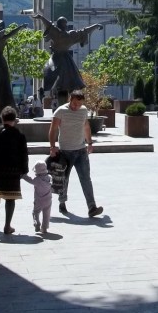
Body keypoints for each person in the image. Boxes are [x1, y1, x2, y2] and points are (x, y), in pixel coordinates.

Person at [48, 89, 103, 218]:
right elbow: (53, 129)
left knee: (86, 179)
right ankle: (62, 203)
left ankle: (92, 207)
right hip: (65, 152)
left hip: (81, 151)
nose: (77, 107)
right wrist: (52, 146)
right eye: (74, 104)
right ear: (70, 99)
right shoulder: (61, 111)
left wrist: (89, 143)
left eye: (79, 104)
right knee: (64, 179)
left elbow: (86, 127)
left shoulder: (83, 110)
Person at [34, 13, 102, 97]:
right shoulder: (70, 35)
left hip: (57, 58)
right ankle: (53, 89)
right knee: (67, 78)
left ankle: (47, 89)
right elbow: (85, 31)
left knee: (50, 73)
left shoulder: (58, 33)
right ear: (65, 25)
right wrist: (96, 25)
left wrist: (41, 17)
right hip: (65, 59)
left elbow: (48, 25)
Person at [0, 105, 28, 235]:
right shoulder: (19, 136)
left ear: (2, 119)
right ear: (14, 120)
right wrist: (24, 170)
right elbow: (24, 154)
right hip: (13, 172)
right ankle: (7, 226)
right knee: (10, 198)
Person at [22, 160, 52, 234]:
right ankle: (44, 228)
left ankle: (37, 222)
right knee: (46, 214)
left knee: (35, 212)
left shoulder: (36, 180)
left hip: (38, 200)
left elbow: (29, 179)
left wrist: (23, 176)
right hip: (48, 200)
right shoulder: (49, 178)